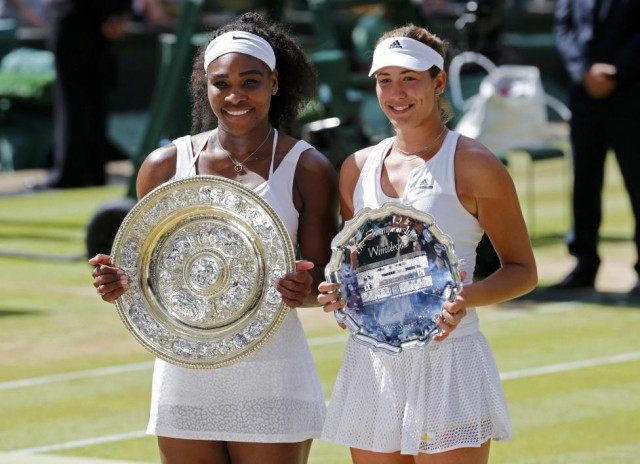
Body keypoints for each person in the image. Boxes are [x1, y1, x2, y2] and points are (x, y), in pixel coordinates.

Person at [89, 12, 338, 464]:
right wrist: (118, 286)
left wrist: (306, 289)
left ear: (275, 83)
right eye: (222, 83)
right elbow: (146, 273)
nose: (236, 95)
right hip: (185, 373)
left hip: (273, 371)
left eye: (251, 81)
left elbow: (322, 282)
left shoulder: (308, 167)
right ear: (206, 87)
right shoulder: (164, 165)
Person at [317, 25, 537, 463]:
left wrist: (464, 298)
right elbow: (358, 269)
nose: (396, 92)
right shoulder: (355, 169)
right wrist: (341, 295)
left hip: (449, 362)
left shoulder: (476, 164)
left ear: (438, 82)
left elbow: (522, 271)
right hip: (372, 364)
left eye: (410, 78)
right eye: (384, 80)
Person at [552, 0, 640, 294]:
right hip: (584, 97)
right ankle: (584, 265)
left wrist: (615, 72)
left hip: (631, 94)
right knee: (585, 183)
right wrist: (584, 72)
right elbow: (564, 29)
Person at [40, 0, 131, 189]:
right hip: (99, 20)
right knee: (93, 99)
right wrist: (120, 11)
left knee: (73, 101)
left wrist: (120, 11)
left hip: (76, 17)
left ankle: (71, 173)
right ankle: (94, 171)